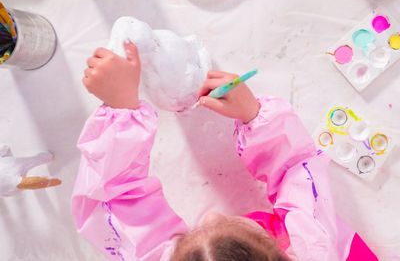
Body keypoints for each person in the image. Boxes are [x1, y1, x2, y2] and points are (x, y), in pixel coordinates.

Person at [72, 42, 378, 261]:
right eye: (224, 223)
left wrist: (121, 111)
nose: (213, 214)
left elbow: (108, 203)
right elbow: (297, 171)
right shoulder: (314, 245)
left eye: (197, 230)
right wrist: (256, 117)